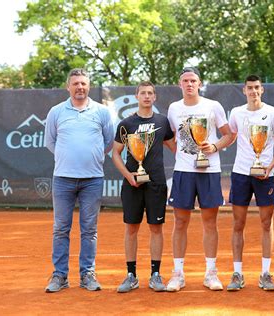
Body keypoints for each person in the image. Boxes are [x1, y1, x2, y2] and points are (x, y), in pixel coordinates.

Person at [44, 68, 114, 293]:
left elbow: (110, 141)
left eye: (83, 83)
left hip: (92, 179)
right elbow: (50, 142)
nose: (80, 87)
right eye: (75, 84)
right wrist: (68, 159)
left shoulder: (102, 112)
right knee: (61, 229)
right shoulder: (56, 112)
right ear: (68, 87)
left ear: (89, 86)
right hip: (62, 179)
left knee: (89, 230)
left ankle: (87, 274)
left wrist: (92, 157)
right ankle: (60, 276)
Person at [166, 67, 234, 292]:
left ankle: (211, 273)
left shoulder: (213, 106)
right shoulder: (174, 108)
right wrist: (180, 152)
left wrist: (213, 147)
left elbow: (229, 134)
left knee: (209, 223)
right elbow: (170, 137)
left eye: (193, 80)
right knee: (180, 222)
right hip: (183, 172)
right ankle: (178, 274)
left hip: (209, 171)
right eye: (185, 81)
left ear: (199, 83)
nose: (189, 84)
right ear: (180, 84)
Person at [111, 81, 175, 293]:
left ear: (154, 97)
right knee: (131, 228)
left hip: (156, 183)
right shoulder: (126, 124)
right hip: (133, 184)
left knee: (156, 228)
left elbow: (176, 148)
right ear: (137, 96)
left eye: (150, 93)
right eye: (143, 93)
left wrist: (198, 153)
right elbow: (116, 154)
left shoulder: (163, 122)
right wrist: (128, 176)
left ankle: (156, 275)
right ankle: (131, 276)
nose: (147, 96)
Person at [226, 75, 274, 291]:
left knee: (266, 223)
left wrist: (269, 167)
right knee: (238, 224)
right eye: (250, 88)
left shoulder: (273, 113)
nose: (253, 91)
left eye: (257, 87)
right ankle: (237, 274)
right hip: (240, 174)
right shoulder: (236, 113)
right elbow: (230, 137)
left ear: (262, 90)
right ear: (244, 90)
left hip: (265, 175)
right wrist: (213, 147)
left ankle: (266, 274)